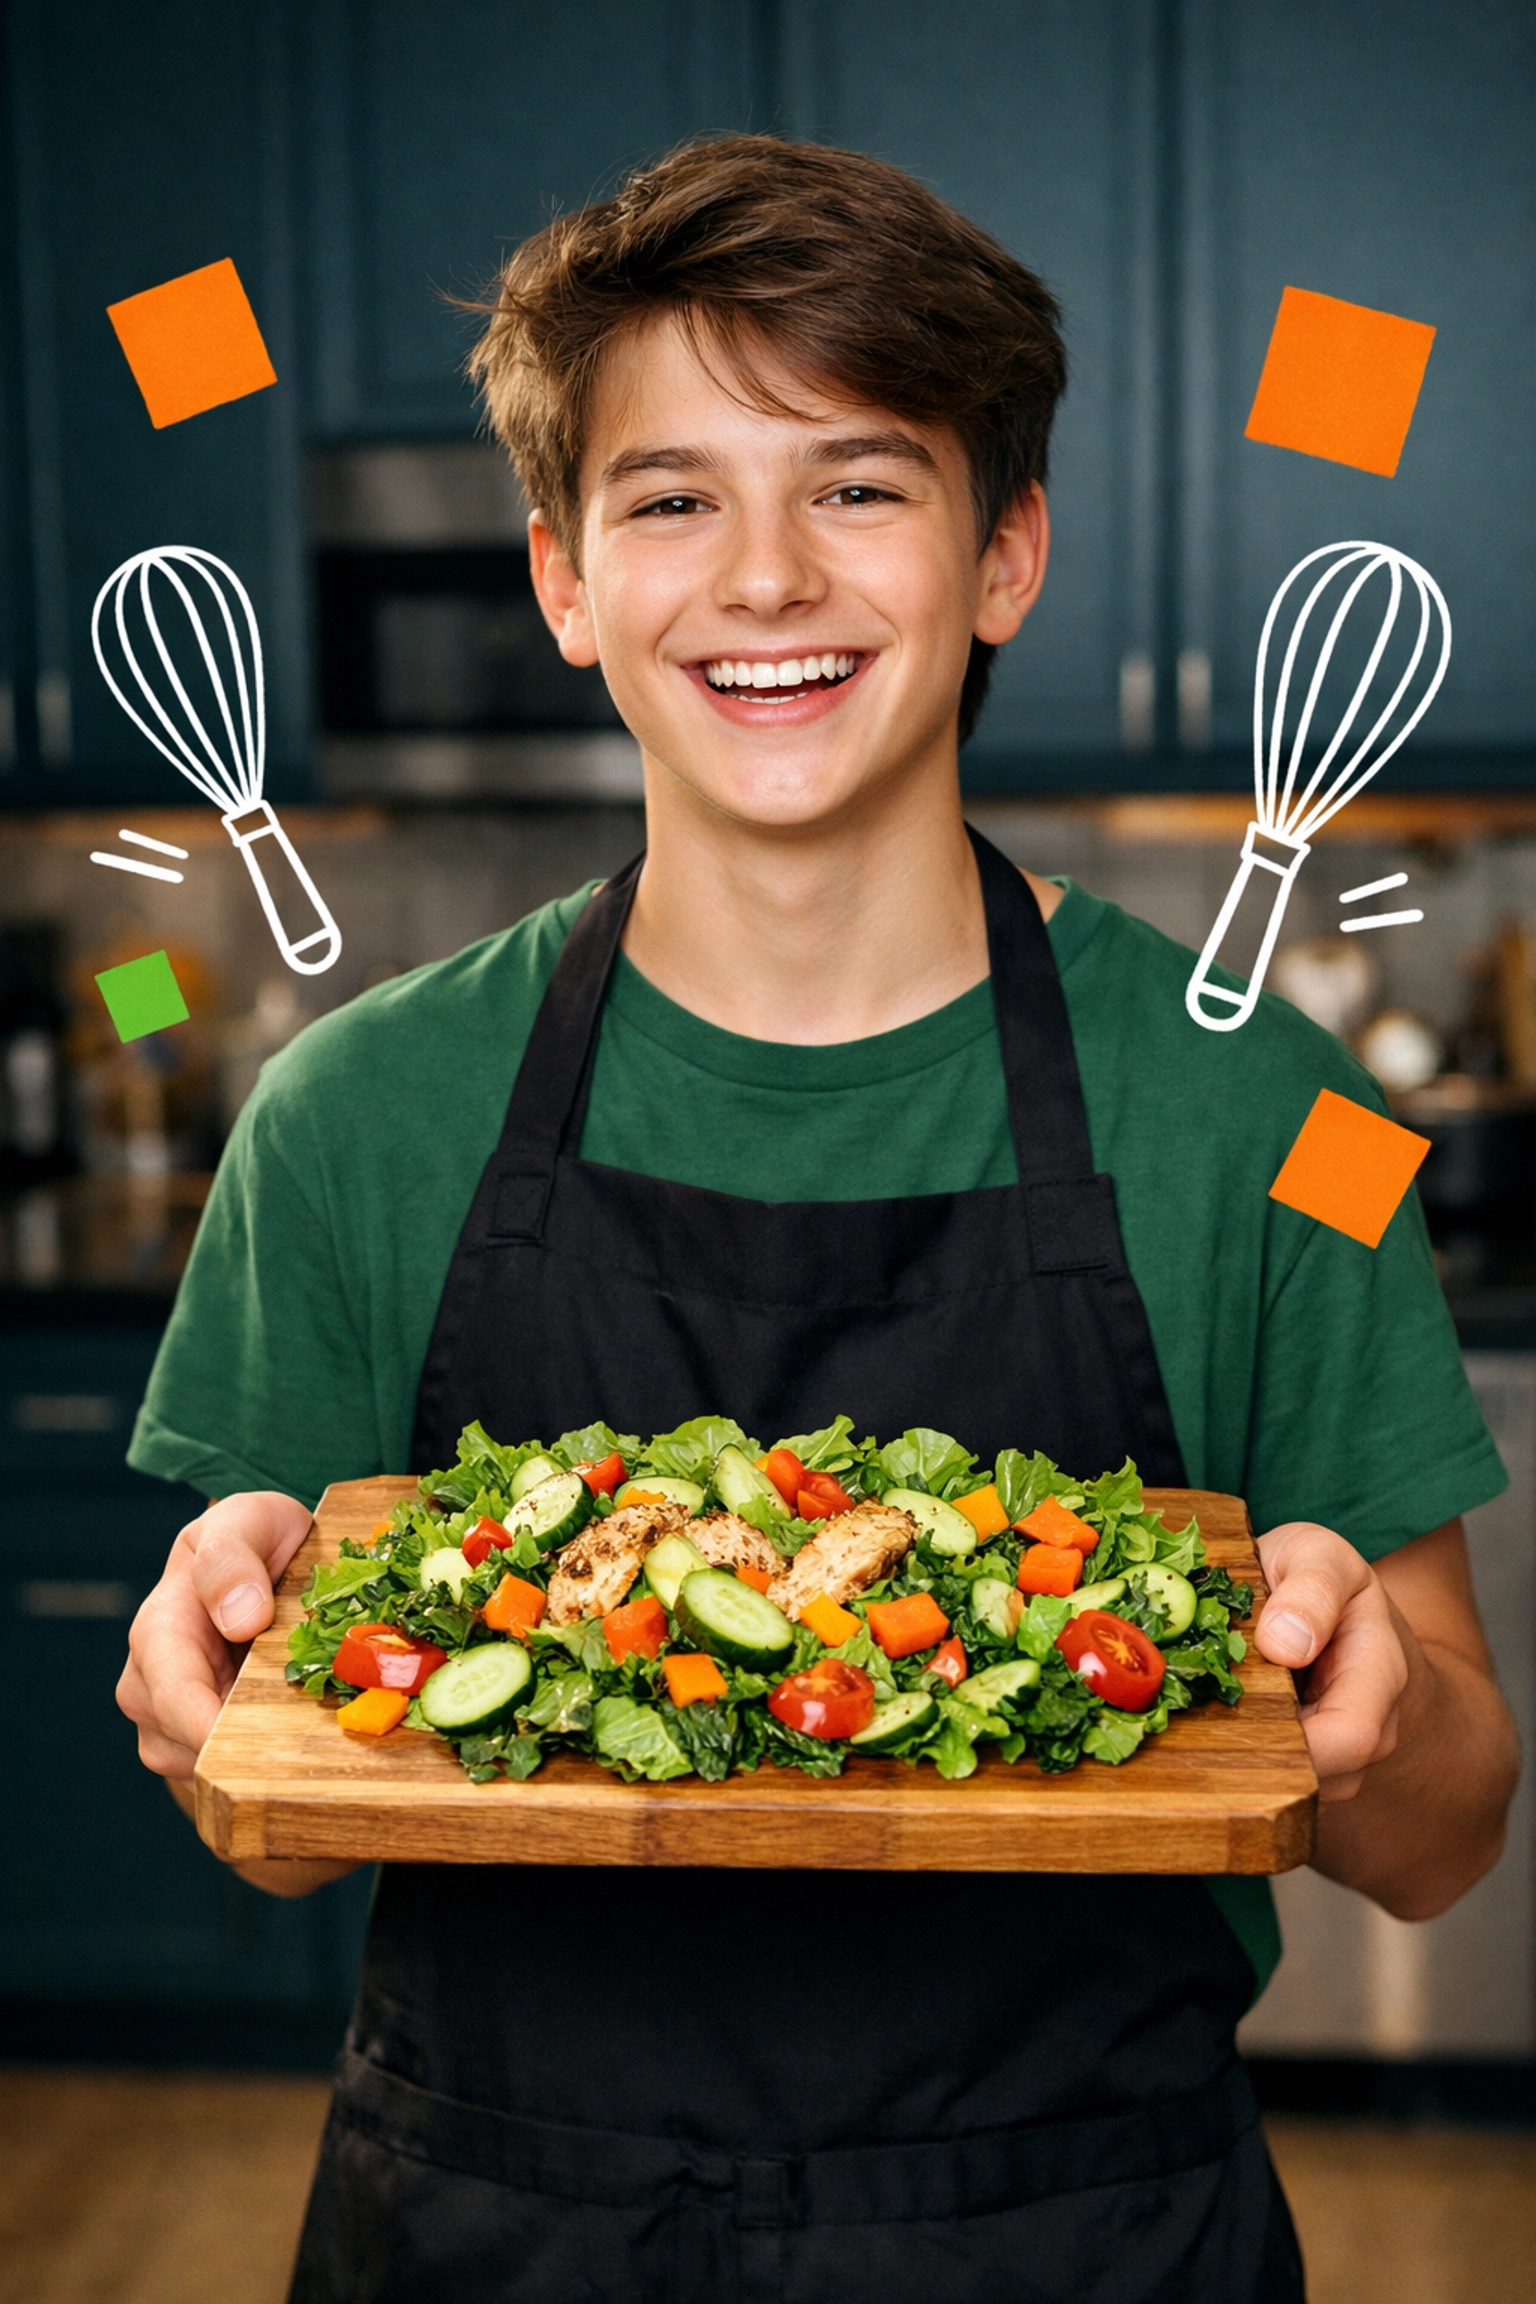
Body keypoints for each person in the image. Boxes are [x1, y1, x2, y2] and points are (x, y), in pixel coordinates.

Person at [118, 135, 1518, 2304]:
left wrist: (1376, 1711)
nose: (764, 575)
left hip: (1088, 2241)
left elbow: (1445, 1848)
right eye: (672, 497)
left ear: (1007, 554)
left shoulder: (1280, 1119)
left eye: (859, 484)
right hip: (496, 2240)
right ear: (566, 579)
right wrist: (212, 1700)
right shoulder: (347, 1118)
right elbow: (268, 1831)